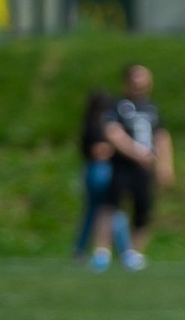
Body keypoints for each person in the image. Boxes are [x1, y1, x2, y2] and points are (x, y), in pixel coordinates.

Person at [98, 64, 172, 272]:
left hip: (145, 167)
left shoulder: (152, 107)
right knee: (111, 206)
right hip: (122, 165)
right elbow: (113, 133)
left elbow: (162, 136)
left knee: (143, 208)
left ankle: (135, 253)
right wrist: (136, 153)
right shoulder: (118, 105)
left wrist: (165, 165)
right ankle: (102, 252)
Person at [74, 88, 129, 263]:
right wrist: (121, 146)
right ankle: (123, 251)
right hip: (101, 170)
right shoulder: (98, 125)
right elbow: (98, 151)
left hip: (93, 170)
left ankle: (81, 249)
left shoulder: (89, 123)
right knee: (110, 210)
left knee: (95, 211)